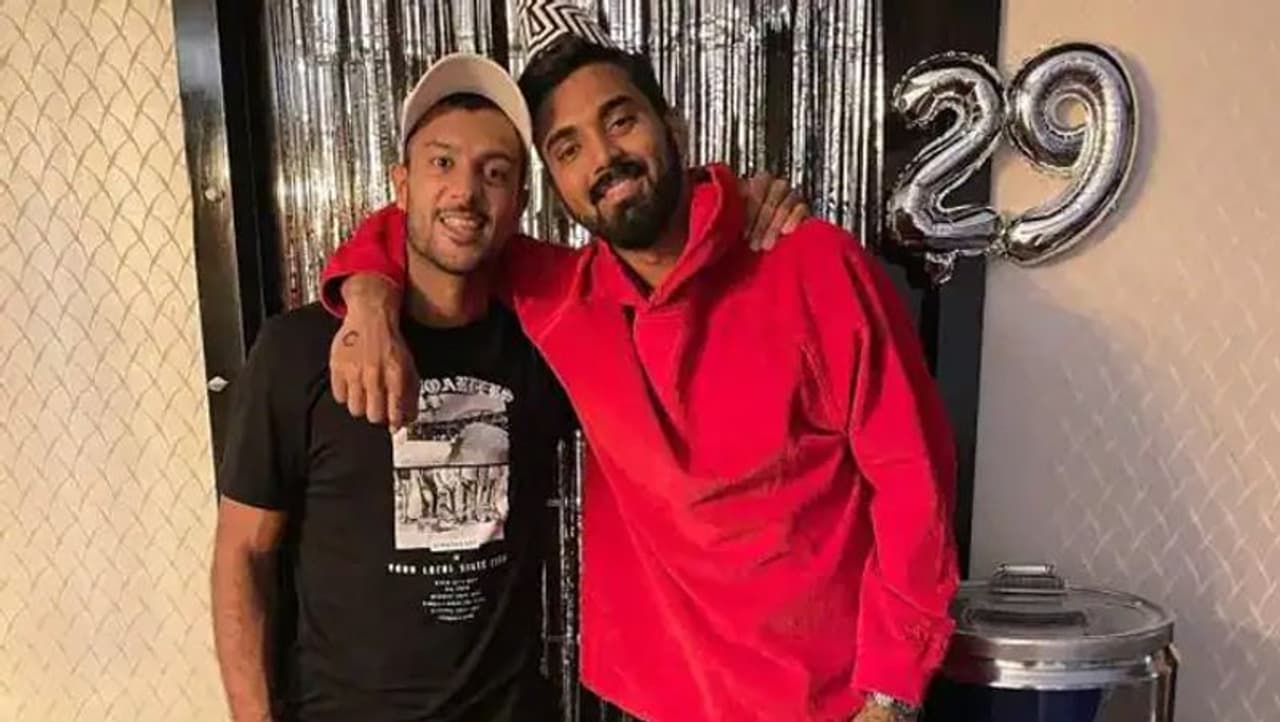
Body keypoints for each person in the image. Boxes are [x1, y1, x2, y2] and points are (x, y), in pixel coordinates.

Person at [321, 11, 959, 722]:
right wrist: (368, 300)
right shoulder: (562, 297)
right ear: (554, 187)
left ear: (672, 126)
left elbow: (914, 481)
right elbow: (434, 223)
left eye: (620, 121)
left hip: (827, 706)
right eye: (568, 148)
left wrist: (891, 693)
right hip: (654, 705)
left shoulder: (811, 264)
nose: (603, 157)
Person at [211, 50, 805, 722]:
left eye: (494, 172)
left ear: (521, 200)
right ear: (401, 184)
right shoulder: (299, 351)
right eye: (441, 163)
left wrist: (734, 206)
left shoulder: (552, 332)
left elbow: (662, 268)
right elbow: (242, 553)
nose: (464, 193)